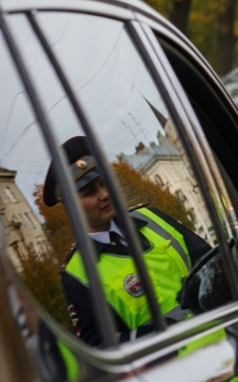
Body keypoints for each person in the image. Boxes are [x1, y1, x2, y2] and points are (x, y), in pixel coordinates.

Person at [45, 137, 212, 347]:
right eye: (90, 192)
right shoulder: (76, 275)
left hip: (225, 344)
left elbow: (210, 262)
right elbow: (98, 347)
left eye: (104, 184)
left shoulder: (152, 217)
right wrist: (148, 336)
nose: (105, 194)